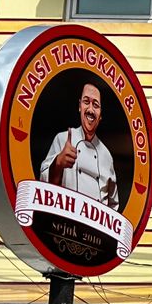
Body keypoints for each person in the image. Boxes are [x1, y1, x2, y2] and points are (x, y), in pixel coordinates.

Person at [39, 78, 118, 209]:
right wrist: (58, 163)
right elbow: (43, 183)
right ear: (80, 106)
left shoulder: (107, 156)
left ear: (100, 115)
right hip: (64, 223)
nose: (90, 110)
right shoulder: (62, 139)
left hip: (95, 228)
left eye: (96, 105)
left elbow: (113, 205)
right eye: (86, 102)